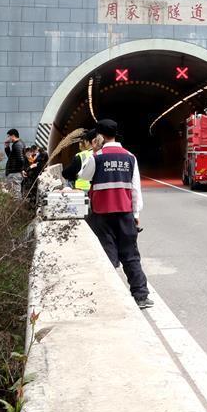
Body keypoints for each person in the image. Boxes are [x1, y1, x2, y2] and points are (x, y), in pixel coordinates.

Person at [78, 119, 152, 309]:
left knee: (107, 255)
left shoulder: (97, 157)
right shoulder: (130, 157)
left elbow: (83, 176)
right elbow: (135, 188)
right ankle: (141, 296)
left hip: (102, 214)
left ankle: (109, 297)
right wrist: (135, 213)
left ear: (99, 136)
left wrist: (94, 152)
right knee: (130, 254)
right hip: (125, 213)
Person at [3, 129, 24, 194]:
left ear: (12, 136)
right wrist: (7, 147)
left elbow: (21, 159)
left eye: (8, 136)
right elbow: (11, 157)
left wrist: (22, 170)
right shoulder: (16, 144)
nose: (7, 138)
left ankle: (18, 204)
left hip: (15, 173)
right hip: (14, 172)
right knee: (13, 193)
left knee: (15, 194)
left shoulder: (18, 144)